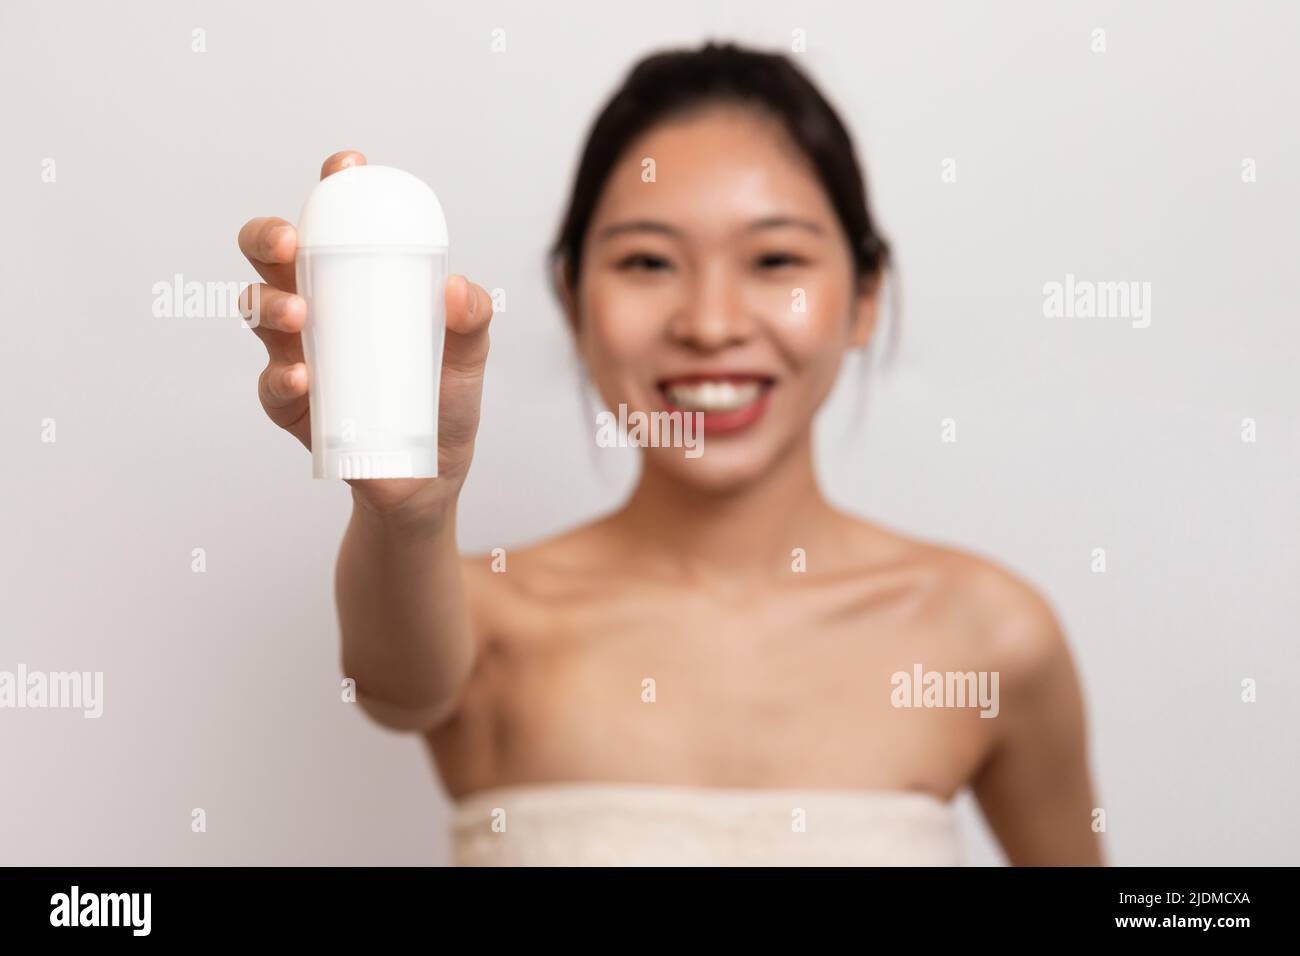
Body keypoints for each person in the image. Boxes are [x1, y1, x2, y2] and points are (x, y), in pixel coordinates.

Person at [237, 42, 1103, 866]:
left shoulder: (990, 635)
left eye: (775, 258)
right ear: (573, 299)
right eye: (649, 261)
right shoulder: (489, 616)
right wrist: (407, 511)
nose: (711, 324)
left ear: (865, 296)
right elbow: (398, 686)